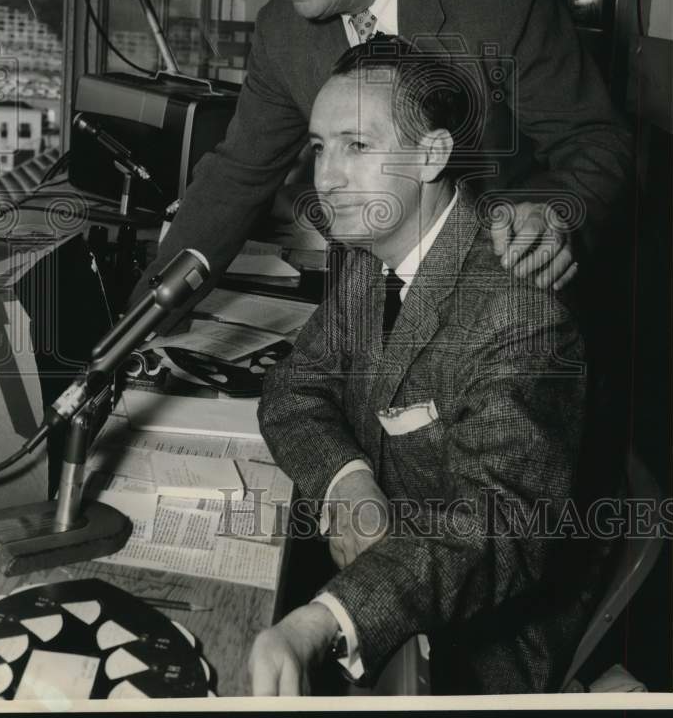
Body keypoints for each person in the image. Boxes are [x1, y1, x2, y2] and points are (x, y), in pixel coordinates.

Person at [129, 0, 632, 305]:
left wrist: (553, 214)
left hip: (500, 299)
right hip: (368, 307)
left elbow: (596, 140)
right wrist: (146, 316)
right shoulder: (282, 31)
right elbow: (235, 177)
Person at [248, 38, 607, 696]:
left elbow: (494, 532)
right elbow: (293, 391)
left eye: (357, 146)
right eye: (320, 146)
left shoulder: (519, 311)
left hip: (479, 636)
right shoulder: (370, 248)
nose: (325, 177)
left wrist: (326, 621)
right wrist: (348, 483)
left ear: (433, 154)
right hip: (378, 561)